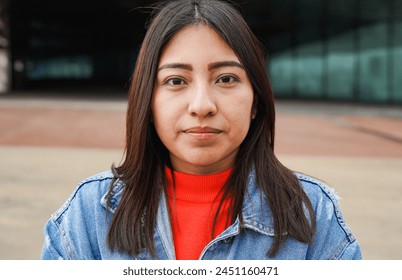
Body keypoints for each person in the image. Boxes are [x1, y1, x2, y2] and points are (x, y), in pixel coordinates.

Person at [41, 0, 362, 260]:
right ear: (148, 102)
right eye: (176, 81)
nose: (202, 105)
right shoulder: (89, 213)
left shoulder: (312, 211)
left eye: (226, 79)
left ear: (255, 101)